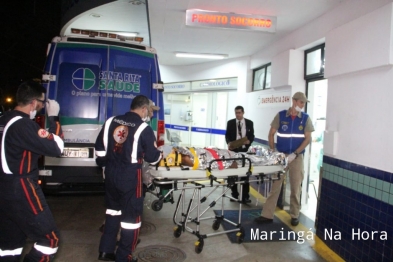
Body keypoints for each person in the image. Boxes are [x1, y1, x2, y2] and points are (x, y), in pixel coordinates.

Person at [0, 80, 64, 261]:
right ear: (34, 103)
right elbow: (56, 147)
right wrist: (54, 119)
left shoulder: (3, 120)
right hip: (20, 188)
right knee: (49, 240)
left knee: (9, 245)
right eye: (43, 103)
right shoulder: (23, 125)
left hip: (3, 189)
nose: (43, 107)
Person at [95, 95, 162, 262]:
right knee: (131, 220)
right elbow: (153, 158)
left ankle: (105, 251)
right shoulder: (143, 128)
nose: (151, 115)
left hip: (110, 174)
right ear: (144, 109)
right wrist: (160, 153)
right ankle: (124, 256)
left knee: (112, 212)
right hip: (130, 176)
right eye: (150, 112)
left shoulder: (111, 121)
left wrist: (106, 164)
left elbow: (99, 150)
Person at [254, 92, 314, 226]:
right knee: (275, 186)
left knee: (295, 187)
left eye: (304, 103)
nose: (302, 105)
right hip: (280, 156)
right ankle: (267, 215)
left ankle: (294, 214)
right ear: (294, 101)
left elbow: (307, 139)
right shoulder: (281, 116)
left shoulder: (305, 119)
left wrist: (296, 153)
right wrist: (272, 151)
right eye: (301, 102)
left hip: (297, 158)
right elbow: (271, 134)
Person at [225, 105, 254, 203]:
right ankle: (234, 194)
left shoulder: (249, 123)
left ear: (243, 113)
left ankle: (245, 196)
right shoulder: (230, 123)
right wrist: (229, 143)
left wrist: (249, 141)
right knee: (233, 173)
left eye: (239, 113)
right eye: (236, 113)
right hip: (234, 150)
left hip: (244, 151)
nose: (237, 115)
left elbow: (252, 135)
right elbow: (227, 135)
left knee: (245, 173)